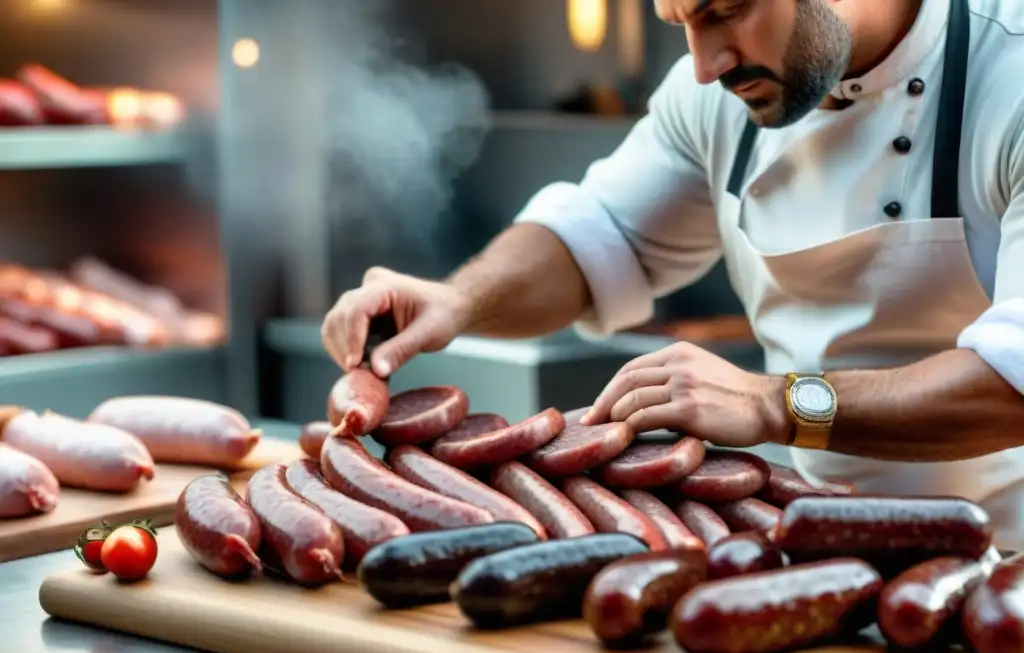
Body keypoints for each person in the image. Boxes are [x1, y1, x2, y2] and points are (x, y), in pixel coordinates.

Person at [321, 0, 1024, 537]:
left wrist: (769, 403)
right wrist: (458, 300)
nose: (704, 64)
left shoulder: (1011, 75)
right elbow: (599, 234)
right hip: (815, 545)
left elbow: (1014, 383)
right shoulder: (714, 98)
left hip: (1009, 569)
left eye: (723, 11)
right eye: (680, 20)